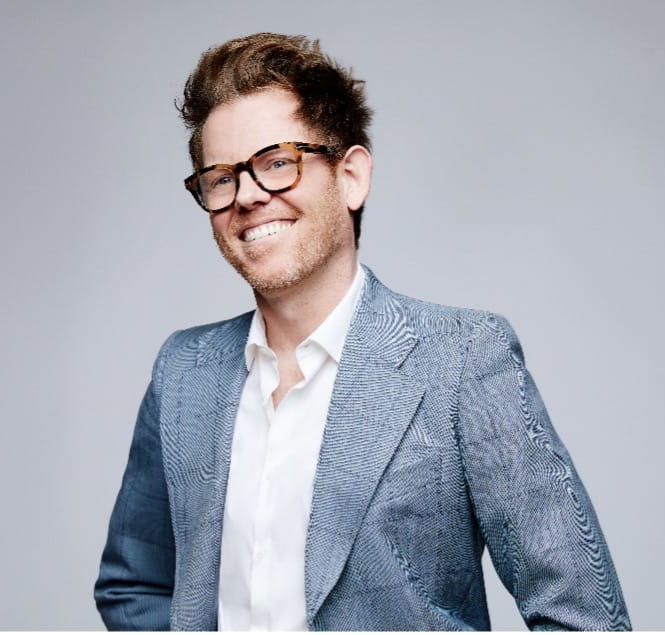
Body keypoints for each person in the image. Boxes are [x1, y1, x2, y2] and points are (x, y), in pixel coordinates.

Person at [94, 32, 631, 631]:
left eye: (277, 163)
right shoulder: (183, 372)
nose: (246, 196)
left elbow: (585, 616)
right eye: (220, 178)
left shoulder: (463, 361)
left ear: (350, 176)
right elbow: (132, 584)